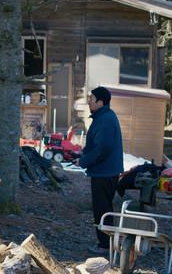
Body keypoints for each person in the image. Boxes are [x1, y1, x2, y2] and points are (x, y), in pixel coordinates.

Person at [73, 86, 124, 255]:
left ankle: (105, 246)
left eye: (92, 99)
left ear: (100, 102)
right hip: (103, 171)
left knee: (103, 209)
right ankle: (107, 243)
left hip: (106, 172)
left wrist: (83, 161)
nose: (89, 102)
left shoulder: (106, 120)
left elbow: (103, 149)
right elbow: (94, 144)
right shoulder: (101, 117)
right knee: (102, 208)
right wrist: (83, 152)